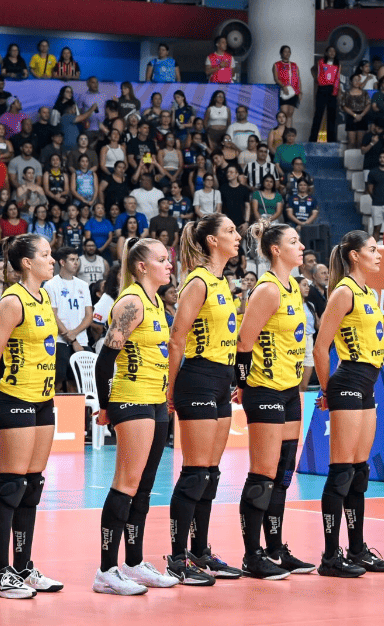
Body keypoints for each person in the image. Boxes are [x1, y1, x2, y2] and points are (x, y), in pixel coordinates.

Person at [91, 238, 180, 595]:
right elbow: (104, 360)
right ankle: (106, 570)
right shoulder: (131, 301)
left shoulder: (157, 302)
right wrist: (106, 406)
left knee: (144, 487)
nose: (169, 265)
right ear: (141, 266)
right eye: (162, 260)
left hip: (156, 401)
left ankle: (133, 563)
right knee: (126, 484)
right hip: (133, 400)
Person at [0, 235, 64, 599]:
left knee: (32, 485)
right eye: (45, 254)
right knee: (11, 485)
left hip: (44, 399)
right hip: (14, 398)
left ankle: (24, 567)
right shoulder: (12, 301)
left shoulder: (43, 296)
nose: (52, 259)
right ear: (26, 263)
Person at [162, 215, 241, 585]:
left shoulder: (221, 281)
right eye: (229, 231)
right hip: (197, 377)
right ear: (212, 240)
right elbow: (177, 339)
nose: (237, 236)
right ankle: (177, 557)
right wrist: (170, 388)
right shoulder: (197, 280)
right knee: (195, 472)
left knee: (210, 473)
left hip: (221, 378)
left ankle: (201, 551)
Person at [235, 222, 315, 579]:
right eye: (294, 242)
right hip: (264, 389)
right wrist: (242, 386)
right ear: (276, 251)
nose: (302, 247)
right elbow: (243, 343)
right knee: (262, 475)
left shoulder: (293, 286)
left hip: (289, 390)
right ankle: (252, 555)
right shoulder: (267, 290)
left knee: (282, 475)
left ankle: (276, 549)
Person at [311, 230, 384, 577]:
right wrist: (328, 392)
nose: (379, 255)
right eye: (373, 250)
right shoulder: (344, 292)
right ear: (355, 255)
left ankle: (357, 549)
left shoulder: (368, 293)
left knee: (360, 472)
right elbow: (320, 347)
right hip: (347, 382)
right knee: (342, 471)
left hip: (367, 385)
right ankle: (331, 557)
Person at [46, 248, 92, 393]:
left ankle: (78, 414)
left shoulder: (83, 285)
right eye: (72, 260)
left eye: (77, 259)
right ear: (62, 262)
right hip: (59, 340)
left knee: (77, 381)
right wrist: (70, 338)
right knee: (58, 380)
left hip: (81, 339)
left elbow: (89, 315)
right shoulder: (50, 285)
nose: (76, 263)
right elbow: (53, 315)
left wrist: (74, 334)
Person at [308, 46, 340, 143]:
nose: (332, 52)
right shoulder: (321, 62)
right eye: (330, 51)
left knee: (331, 116)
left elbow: (337, 78)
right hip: (322, 89)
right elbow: (313, 70)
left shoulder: (337, 64)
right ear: (326, 53)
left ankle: (331, 140)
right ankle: (313, 139)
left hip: (332, 89)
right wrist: (318, 80)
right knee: (318, 114)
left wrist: (336, 90)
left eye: (334, 51)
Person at [273, 46, 301, 128]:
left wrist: (299, 92)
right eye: (285, 51)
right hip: (283, 91)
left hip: (293, 91)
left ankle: (288, 133)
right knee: (283, 113)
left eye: (289, 51)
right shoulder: (277, 65)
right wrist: (283, 86)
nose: (287, 53)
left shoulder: (294, 65)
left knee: (290, 113)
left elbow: (298, 79)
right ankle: (281, 133)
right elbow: (276, 78)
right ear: (281, 53)